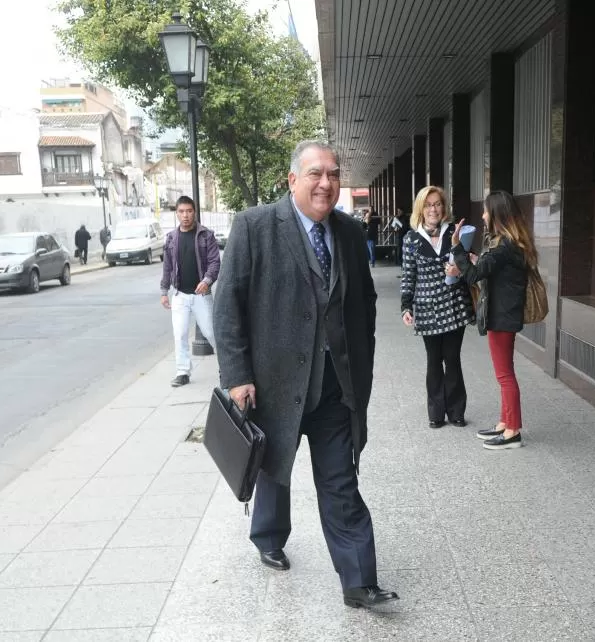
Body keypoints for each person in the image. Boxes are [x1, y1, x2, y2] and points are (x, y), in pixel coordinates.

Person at [213, 140, 399, 610]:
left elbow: (364, 308)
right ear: (293, 179)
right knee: (275, 468)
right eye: (315, 173)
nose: (326, 183)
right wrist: (237, 375)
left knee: (340, 482)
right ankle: (269, 537)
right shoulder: (254, 227)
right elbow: (228, 305)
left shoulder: (351, 234)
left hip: (335, 387)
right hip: (274, 383)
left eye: (333, 174)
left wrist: (362, 369)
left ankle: (359, 581)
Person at [445, 190, 533, 450]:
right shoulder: (508, 243)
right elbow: (487, 270)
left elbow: (473, 277)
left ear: (496, 214)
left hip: (502, 317)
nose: (482, 215)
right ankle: (505, 424)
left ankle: (513, 431)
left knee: (505, 375)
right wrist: (474, 259)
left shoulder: (504, 245)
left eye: (485, 210)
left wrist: (456, 245)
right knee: (504, 374)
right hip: (504, 314)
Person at [400, 185, 474, 429]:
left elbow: (471, 264)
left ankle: (456, 412)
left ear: (444, 207)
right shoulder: (411, 239)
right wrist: (405, 306)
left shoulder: (455, 232)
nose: (433, 209)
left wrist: (459, 270)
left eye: (437, 204)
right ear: (421, 209)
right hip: (426, 307)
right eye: (428, 205)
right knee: (434, 360)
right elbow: (408, 275)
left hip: (454, 304)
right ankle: (435, 412)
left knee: (452, 358)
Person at [160, 196, 221, 387]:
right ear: (176, 213)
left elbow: (214, 262)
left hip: (201, 295)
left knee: (212, 333)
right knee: (179, 334)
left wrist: (207, 280)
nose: (185, 215)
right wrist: (164, 291)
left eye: (189, 211)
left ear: (194, 212)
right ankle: (182, 372)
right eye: (181, 211)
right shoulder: (171, 238)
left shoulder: (206, 235)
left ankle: (228, 368)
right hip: (180, 295)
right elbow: (168, 266)